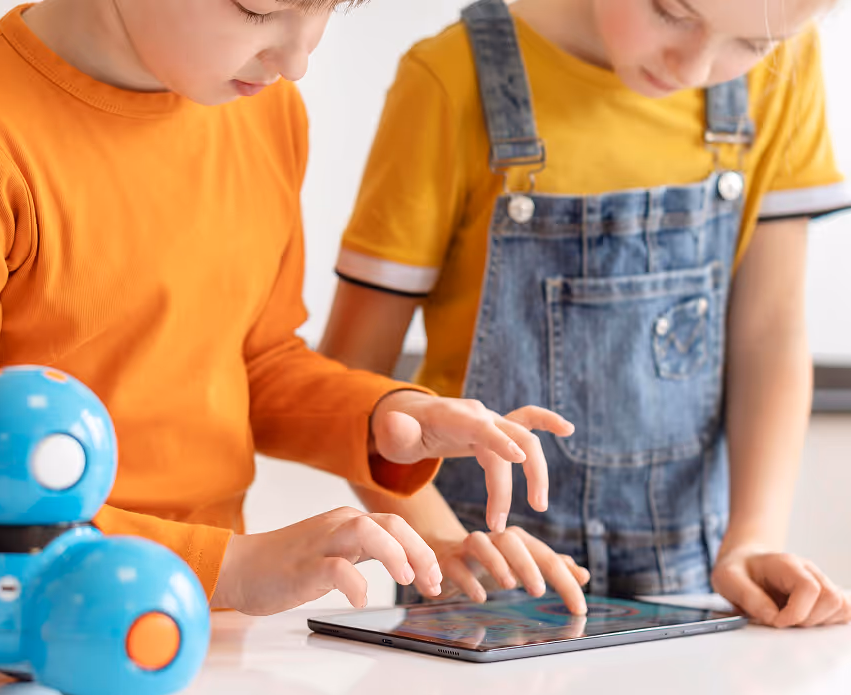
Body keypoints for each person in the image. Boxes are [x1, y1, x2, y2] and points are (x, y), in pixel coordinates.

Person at [0, 0, 583, 617]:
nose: (297, 60)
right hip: (16, 641)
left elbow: (256, 361)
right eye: (258, 9)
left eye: (326, 9)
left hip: (209, 630)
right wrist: (233, 567)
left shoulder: (267, 113)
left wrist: (384, 418)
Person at [321, 0, 851, 627]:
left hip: (690, 578)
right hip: (479, 586)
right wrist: (446, 546)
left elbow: (770, 332)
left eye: (752, 46)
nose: (697, 64)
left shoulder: (782, 64)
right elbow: (351, 378)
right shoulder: (451, 78)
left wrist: (754, 538)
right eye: (672, 12)